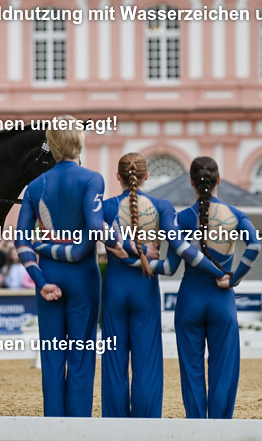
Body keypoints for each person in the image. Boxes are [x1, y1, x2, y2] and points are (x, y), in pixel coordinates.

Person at [94, 152, 230, 418]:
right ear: (147, 176)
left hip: (114, 289)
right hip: (145, 290)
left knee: (114, 363)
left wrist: (128, 250)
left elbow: (94, 230)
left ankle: (114, 425)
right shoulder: (163, 207)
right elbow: (179, 251)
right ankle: (146, 425)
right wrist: (220, 271)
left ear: (118, 176)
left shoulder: (107, 207)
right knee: (147, 363)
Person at [13, 117, 117, 417]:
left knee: (52, 357)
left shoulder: (34, 186)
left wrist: (40, 279)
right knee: (81, 356)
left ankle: (53, 427)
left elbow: (21, 240)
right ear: (80, 142)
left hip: (48, 276)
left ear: (51, 145)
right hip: (83, 274)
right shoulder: (92, 179)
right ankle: (78, 428)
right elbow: (95, 228)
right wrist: (123, 243)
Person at [173, 156, 261, 420]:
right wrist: (234, 278)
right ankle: (220, 428)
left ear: (191, 182)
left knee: (192, 371)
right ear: (218, 180)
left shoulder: (181, 218)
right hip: (221, 299)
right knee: (223, 371)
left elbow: (170, 265)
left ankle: (197, 427)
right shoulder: (236, 215)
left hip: (189, 300)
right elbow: (254, 246)